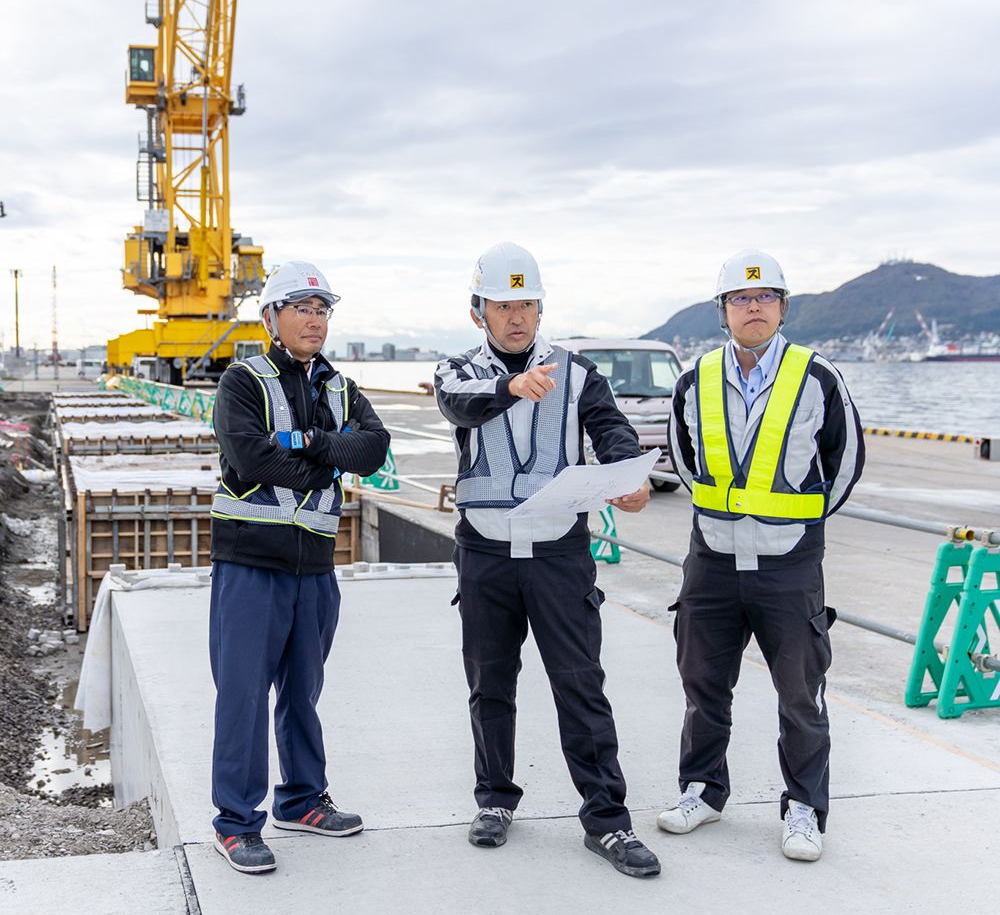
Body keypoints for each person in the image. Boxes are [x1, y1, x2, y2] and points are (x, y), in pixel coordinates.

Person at [434, 241, 660, 879]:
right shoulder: (459, 370)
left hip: (559, 553)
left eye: (527, 304)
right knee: (490, 684)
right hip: (486, 551)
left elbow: (611, 428)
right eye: (503, 305)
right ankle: (495, 800)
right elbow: (460, 405)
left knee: (580, 682)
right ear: (479, 311)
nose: (517, 317)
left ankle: (608, 821)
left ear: (539, 307)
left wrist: (627, 477)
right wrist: (511, 386)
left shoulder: (578, 371)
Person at [659, 248, 864, 862]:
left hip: (789, 562)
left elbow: (845, 462)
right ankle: (702, 789)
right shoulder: (695, 378)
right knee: (702, 682)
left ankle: (803, 807)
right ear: (723, 310)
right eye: (742, 299)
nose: (755, 307)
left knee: (801, 692)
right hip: (713, 559)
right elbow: (684, 455)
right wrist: (727, 514)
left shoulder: (816, 375)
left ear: (783, 307)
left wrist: (791, 524)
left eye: (766, 297)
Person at [208, 260, 390, 873]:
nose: (315, 319)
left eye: (323, 309)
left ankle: (302, 799)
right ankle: (236, 823)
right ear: (271, 317)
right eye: (302, 308)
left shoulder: (338, 387)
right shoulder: (243, 381)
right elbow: (254, 459)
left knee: (303, 692)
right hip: (250, 566)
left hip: (315, 567)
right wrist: (327, 458)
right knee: (242, 696)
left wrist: (311, 443)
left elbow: (374, 448)